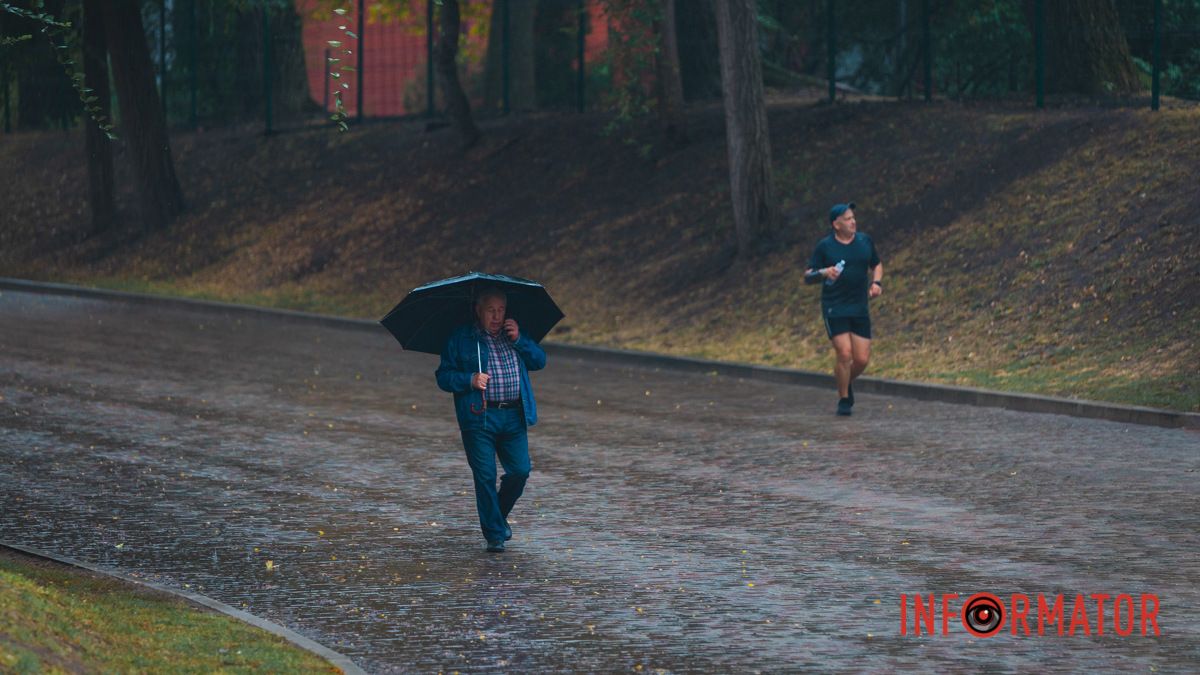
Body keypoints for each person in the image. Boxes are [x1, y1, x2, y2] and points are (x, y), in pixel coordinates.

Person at [436, 288, 546, 553]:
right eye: (490, 310)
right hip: (479, 416)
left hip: (514, 416)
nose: (497, 317)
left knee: (520, 471)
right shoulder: (462, 338)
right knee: (485, 475)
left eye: (501, 310)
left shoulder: (514, 334)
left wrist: (520, 339)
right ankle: (495, 535)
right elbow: (443, 376)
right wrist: (469, 379)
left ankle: (495, 517)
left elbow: (539, 361)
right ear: (478, 310)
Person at [804, 202, 883, 416]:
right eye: (848, 219)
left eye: (853, 217)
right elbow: (808, 276)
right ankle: (844, 399)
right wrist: (823, 272)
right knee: (844, 353)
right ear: (836, 224)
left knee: (862, 359)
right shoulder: (825, 246)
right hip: (834, 307)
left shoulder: (865, 241)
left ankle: (844, 380)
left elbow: (876, 264)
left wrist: (876, 283)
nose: (853, 221)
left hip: (859, 307)